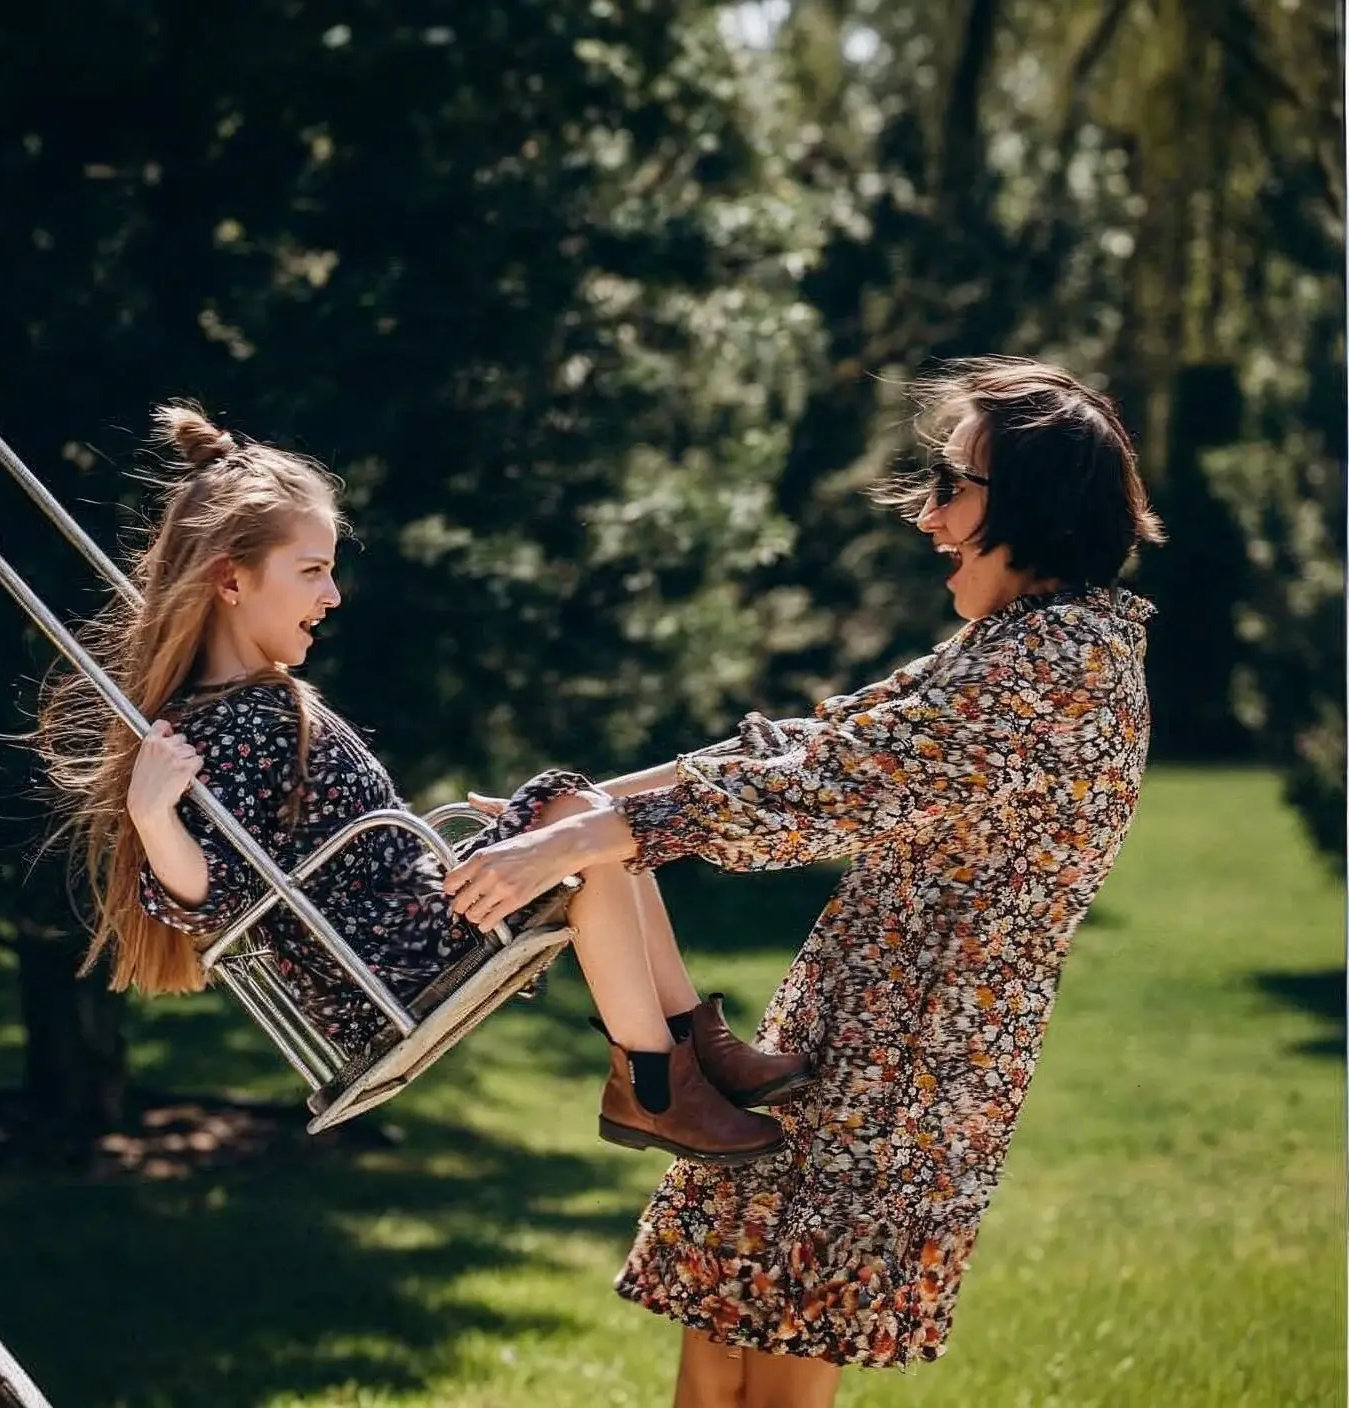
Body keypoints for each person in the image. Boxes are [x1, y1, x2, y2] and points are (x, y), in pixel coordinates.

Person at [443, 357, 1166, 1405]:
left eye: (952, 485)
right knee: (717, 1354)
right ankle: (673, 1061)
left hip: (909, 1065)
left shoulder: (1062, 664)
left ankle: (662, 1068)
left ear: (1037, 505)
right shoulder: (1015, 641)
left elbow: (834, 788)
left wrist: (585, 839)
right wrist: (589, 804)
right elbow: (807, 746)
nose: (927, 515)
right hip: (836, 1035)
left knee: (777, 1373)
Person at [35, 402, 811, 1163]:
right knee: (579, 819)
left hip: (403, 927)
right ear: (230, 580)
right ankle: (654, 1083)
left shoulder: (259, 702)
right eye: (311, 572)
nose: (332, 596)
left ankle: (691, 1048)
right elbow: (216, 898)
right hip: (381, 961)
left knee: (589, 816)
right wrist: (153, 818)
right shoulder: (228, 725)